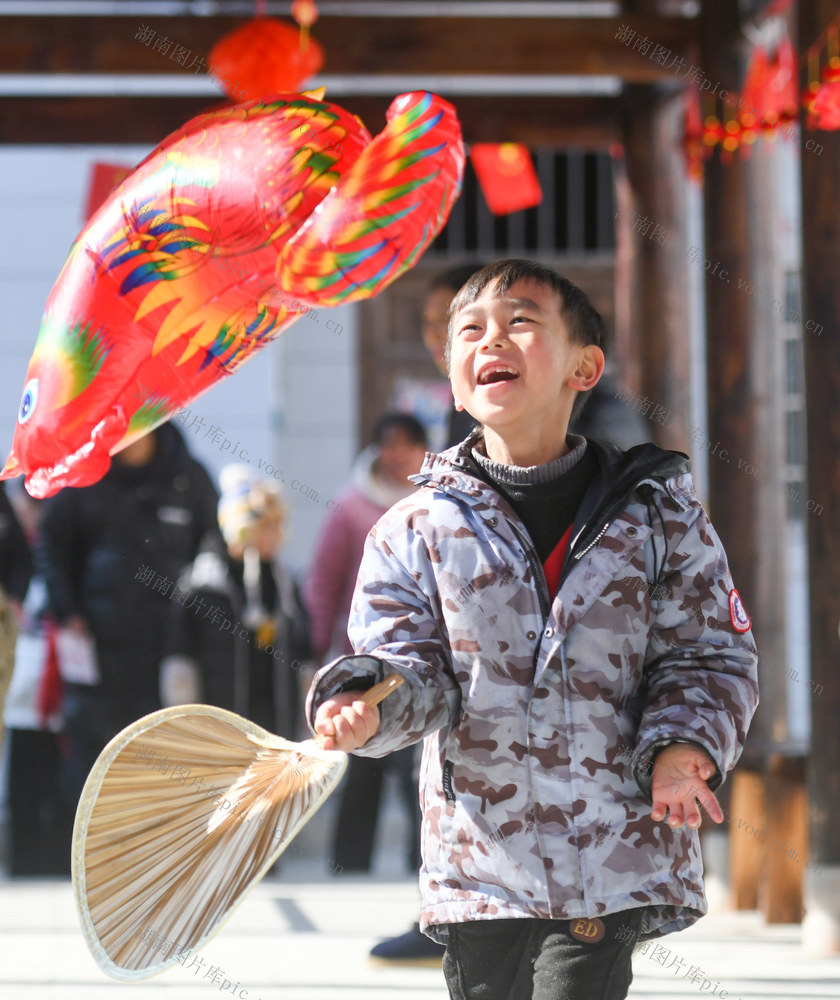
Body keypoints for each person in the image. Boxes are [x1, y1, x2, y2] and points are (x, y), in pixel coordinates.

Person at [306, 259, 759, 1000]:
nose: (493, 340)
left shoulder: (659, 517)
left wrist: (682, 747)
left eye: (520, 321)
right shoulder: (412, 530)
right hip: (481, 858)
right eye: (470, 331)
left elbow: (709, 655)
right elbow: (404, 663)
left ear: (586, 366)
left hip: (609, 854)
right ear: (452, 375)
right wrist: (367, 703)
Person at [37, 423, 221, 812]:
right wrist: (68, 611)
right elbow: (51, 548)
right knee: (93, 761)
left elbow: (213, 549)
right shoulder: (83, 476)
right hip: (97, 652)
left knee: (167, 760)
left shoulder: (189, 477)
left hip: (170, 651)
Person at [305, 413, 428, 875]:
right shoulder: (351, 507)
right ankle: (347, 869)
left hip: (417, 667)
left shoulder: (435, 505)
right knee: (362, 771)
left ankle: (422, 873)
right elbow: (324, 581)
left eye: (408, 445)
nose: (399, 455)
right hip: (360, 663)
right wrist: (316, 650)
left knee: (416, 776)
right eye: (390, 445)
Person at [161, 466, 310, 738]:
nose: (273, 536)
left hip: (276, 728)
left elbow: (304, 655)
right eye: (265, 525)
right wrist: (186, 729)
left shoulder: (284, 584)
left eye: (278, 526)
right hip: (218, 733)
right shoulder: (202, 585)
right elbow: (180, 663)